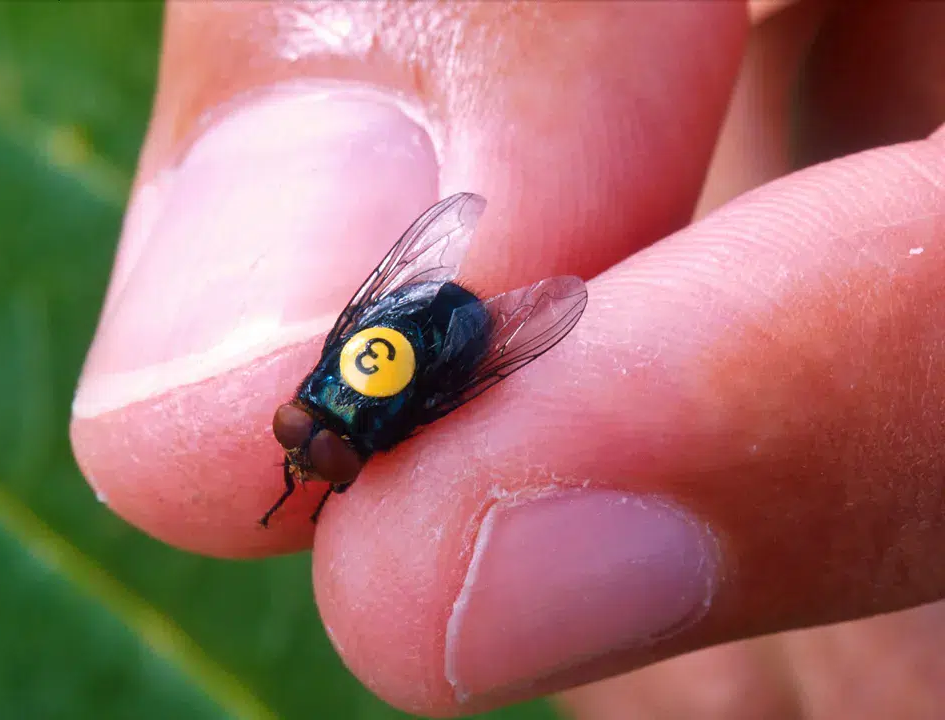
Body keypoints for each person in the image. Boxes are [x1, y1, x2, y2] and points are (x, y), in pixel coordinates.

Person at [70, 2, 944, 717]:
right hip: (417, 316)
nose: (304, 451)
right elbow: (386, 291)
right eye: (312, 446)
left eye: (305, 442)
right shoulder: (326, 400)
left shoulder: (348, 415)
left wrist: (423, 391)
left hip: (458, 337)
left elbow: (456, 369)